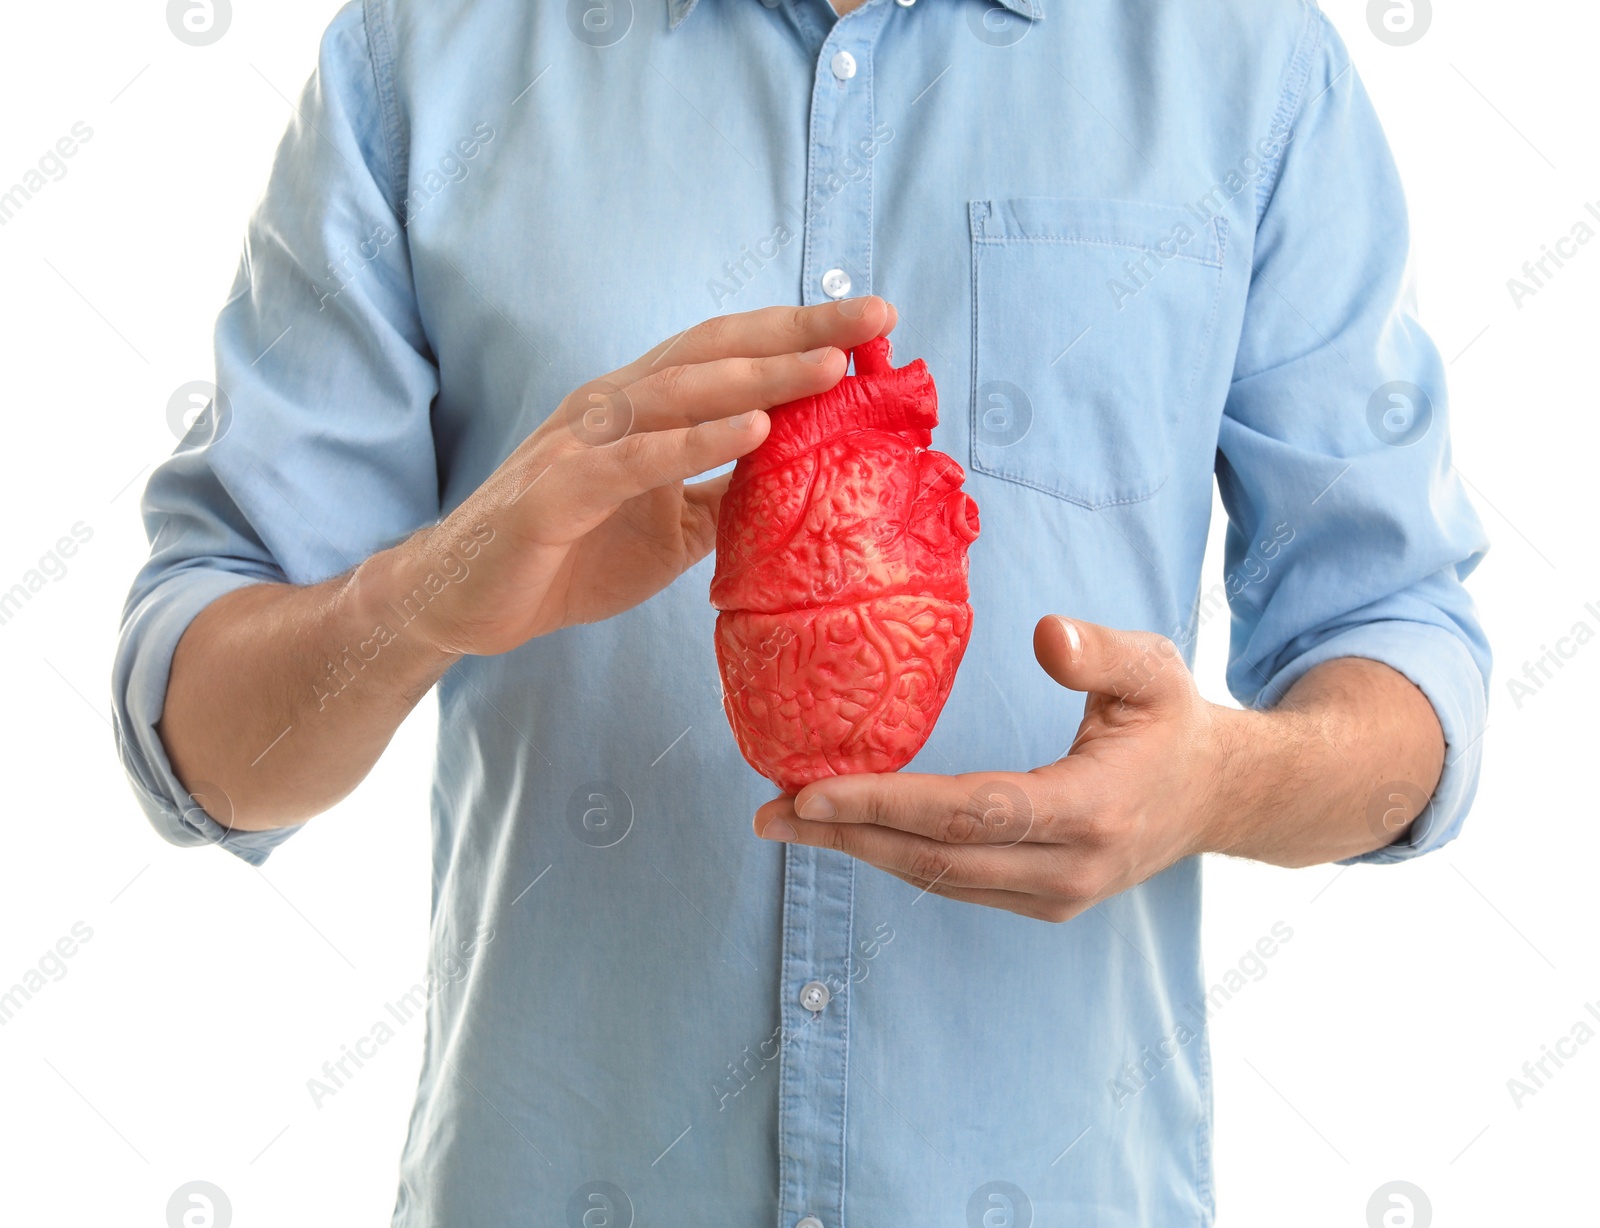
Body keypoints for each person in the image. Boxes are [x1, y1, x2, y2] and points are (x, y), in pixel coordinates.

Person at [113, 0, 1490, 1223]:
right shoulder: (424, 55)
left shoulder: (1246, 62)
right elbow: (208, 756)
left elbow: (1400, 644)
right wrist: (426, 591)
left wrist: (1221, 787)